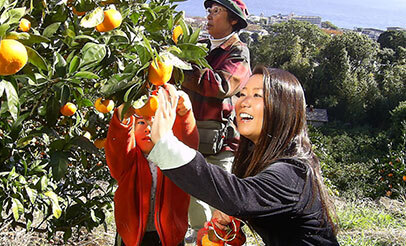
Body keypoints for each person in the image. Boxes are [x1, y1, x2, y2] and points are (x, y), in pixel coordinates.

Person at [148, 66, 340, 245]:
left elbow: (238, 197)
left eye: (257, 95)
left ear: (284, 109)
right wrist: (229, 228)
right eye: (242, 94)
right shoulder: (257, 159)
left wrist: (167, 145)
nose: (243, 102)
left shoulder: (293, 172)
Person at [181, 0, 252, 240]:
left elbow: (221, 85)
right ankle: (202, 233)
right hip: (191, 132)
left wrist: (180, 71)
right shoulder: (199, 47)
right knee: (191, 188)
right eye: (209, 11)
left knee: (220, 196)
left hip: (220, 139)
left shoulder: (238, 52)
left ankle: (226, 238)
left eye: (217, 11)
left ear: (233, 20)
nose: (210, 16)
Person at [104, 92, 199, 246]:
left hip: (170, 237)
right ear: (132, 129)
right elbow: (117, 148)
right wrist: (122, 121)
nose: (149, 128)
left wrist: (184, 114)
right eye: (141, 123)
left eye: (156, 122)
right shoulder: (128, 161)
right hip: (132, 238)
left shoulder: (174, 159)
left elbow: (188, 142)